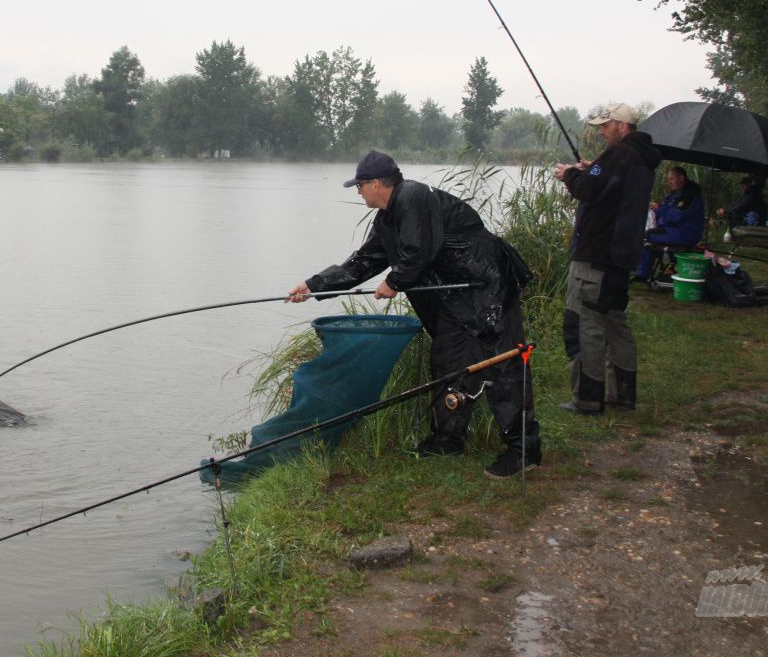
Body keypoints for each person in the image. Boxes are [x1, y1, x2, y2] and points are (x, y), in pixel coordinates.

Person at [286, 150, 539, 479]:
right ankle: (448, 438)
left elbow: (421, 249)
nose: (358, 191)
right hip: (454, 296)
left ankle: (524, 449)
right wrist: (315, 285)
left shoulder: (413, 196)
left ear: (377, 183)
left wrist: (394, 281)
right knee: (448, 360)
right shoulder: (388, 217)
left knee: (503, 364)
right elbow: (365, 261)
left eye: (360, 185)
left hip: (487, 287)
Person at [554, 103, 660, 414]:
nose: (601, 132)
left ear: (622, 126)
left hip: (596, 256)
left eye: (606, 126)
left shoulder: (620, 155)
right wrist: (593, 168)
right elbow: (609, 185)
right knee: (615, 323)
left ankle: (587, 398)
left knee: (583, 322)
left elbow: (588, 190)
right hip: (622, 256)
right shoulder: (641, 158)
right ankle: (623, 393)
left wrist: (570, 174)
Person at [635, 166, 705, 281]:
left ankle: (642, 273)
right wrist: (655, 211)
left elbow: (676, 217)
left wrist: (660, 215)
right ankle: (642, 272)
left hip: (685, 234)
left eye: (671, 179)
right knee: (644, 231)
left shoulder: (690, 197)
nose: (669, 182)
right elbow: (663, 211)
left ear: (681, 178)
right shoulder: (674, 195)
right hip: (673, 230)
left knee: (647, 235)